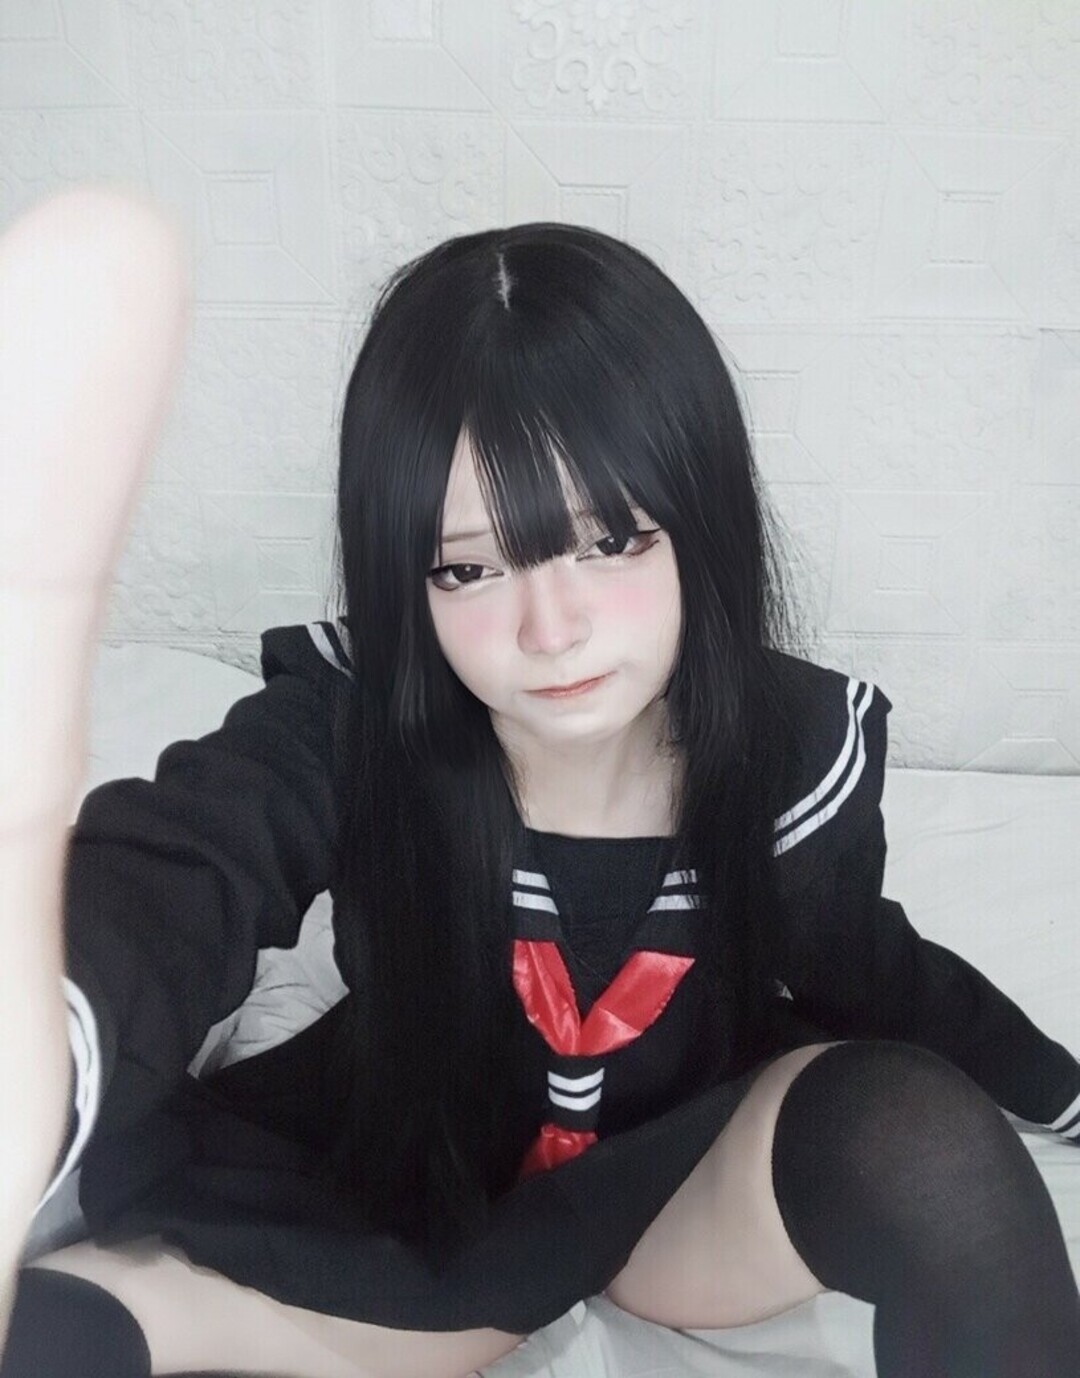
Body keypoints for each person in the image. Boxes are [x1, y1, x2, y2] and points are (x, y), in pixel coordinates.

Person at [1, 185, 1078, 1378]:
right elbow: (175, 877)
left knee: (927, 1145)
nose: (552, 628)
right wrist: (43, 1032)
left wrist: (1057, 1086)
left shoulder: (784, 761)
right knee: (51, 1320)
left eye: (610, 541)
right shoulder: (353, 720)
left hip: (671, 1193)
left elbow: (875, 965)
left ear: (703, 520)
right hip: (409, 1196)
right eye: (469, 569)